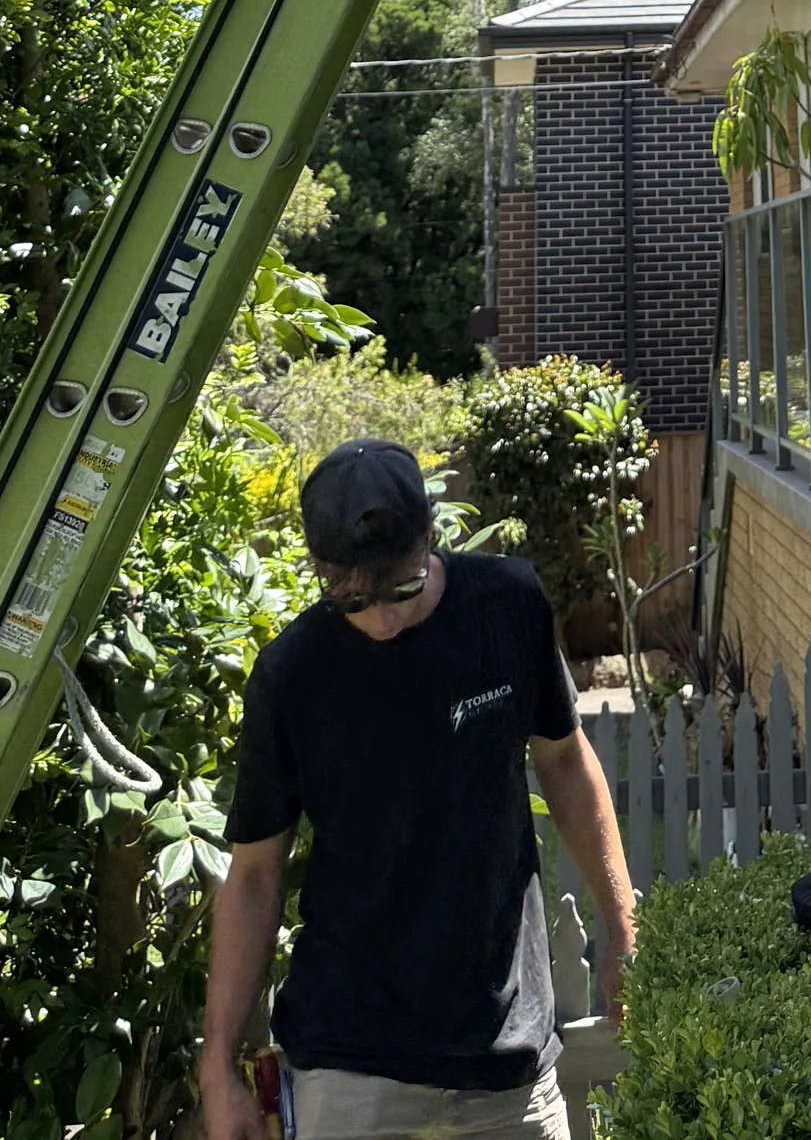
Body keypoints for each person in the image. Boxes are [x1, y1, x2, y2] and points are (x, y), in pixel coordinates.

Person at [199, 437, 633, 1140]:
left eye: (400, 589)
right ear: (321, 570)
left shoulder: (506, 604)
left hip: (507, 1060)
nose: (385, 618)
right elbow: (253, 876)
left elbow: (564, 762)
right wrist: (217, 1065)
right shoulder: (292, 674)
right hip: (349, 1064)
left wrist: (620, 927)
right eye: (353, 600)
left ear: (431, 537)